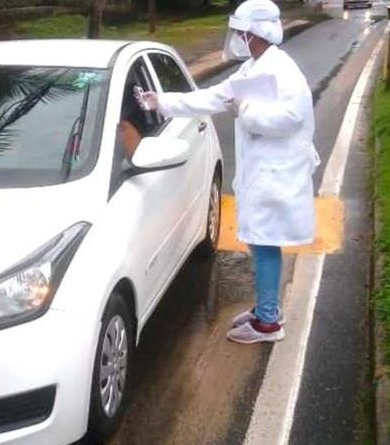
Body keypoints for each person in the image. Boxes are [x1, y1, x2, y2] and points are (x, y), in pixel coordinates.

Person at [136, 0, 318, 344]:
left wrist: (246, 111)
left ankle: (268, 323)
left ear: (254, 34)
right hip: (262, 176)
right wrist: (161, 102)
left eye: (240, 33)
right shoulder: (254, 67)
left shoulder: (284, 72)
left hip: (276, 177)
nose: (236, 38)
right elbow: (213, 97)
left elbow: (290, 117)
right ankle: (266, 310)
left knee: (264, 245)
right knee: (259, 242)